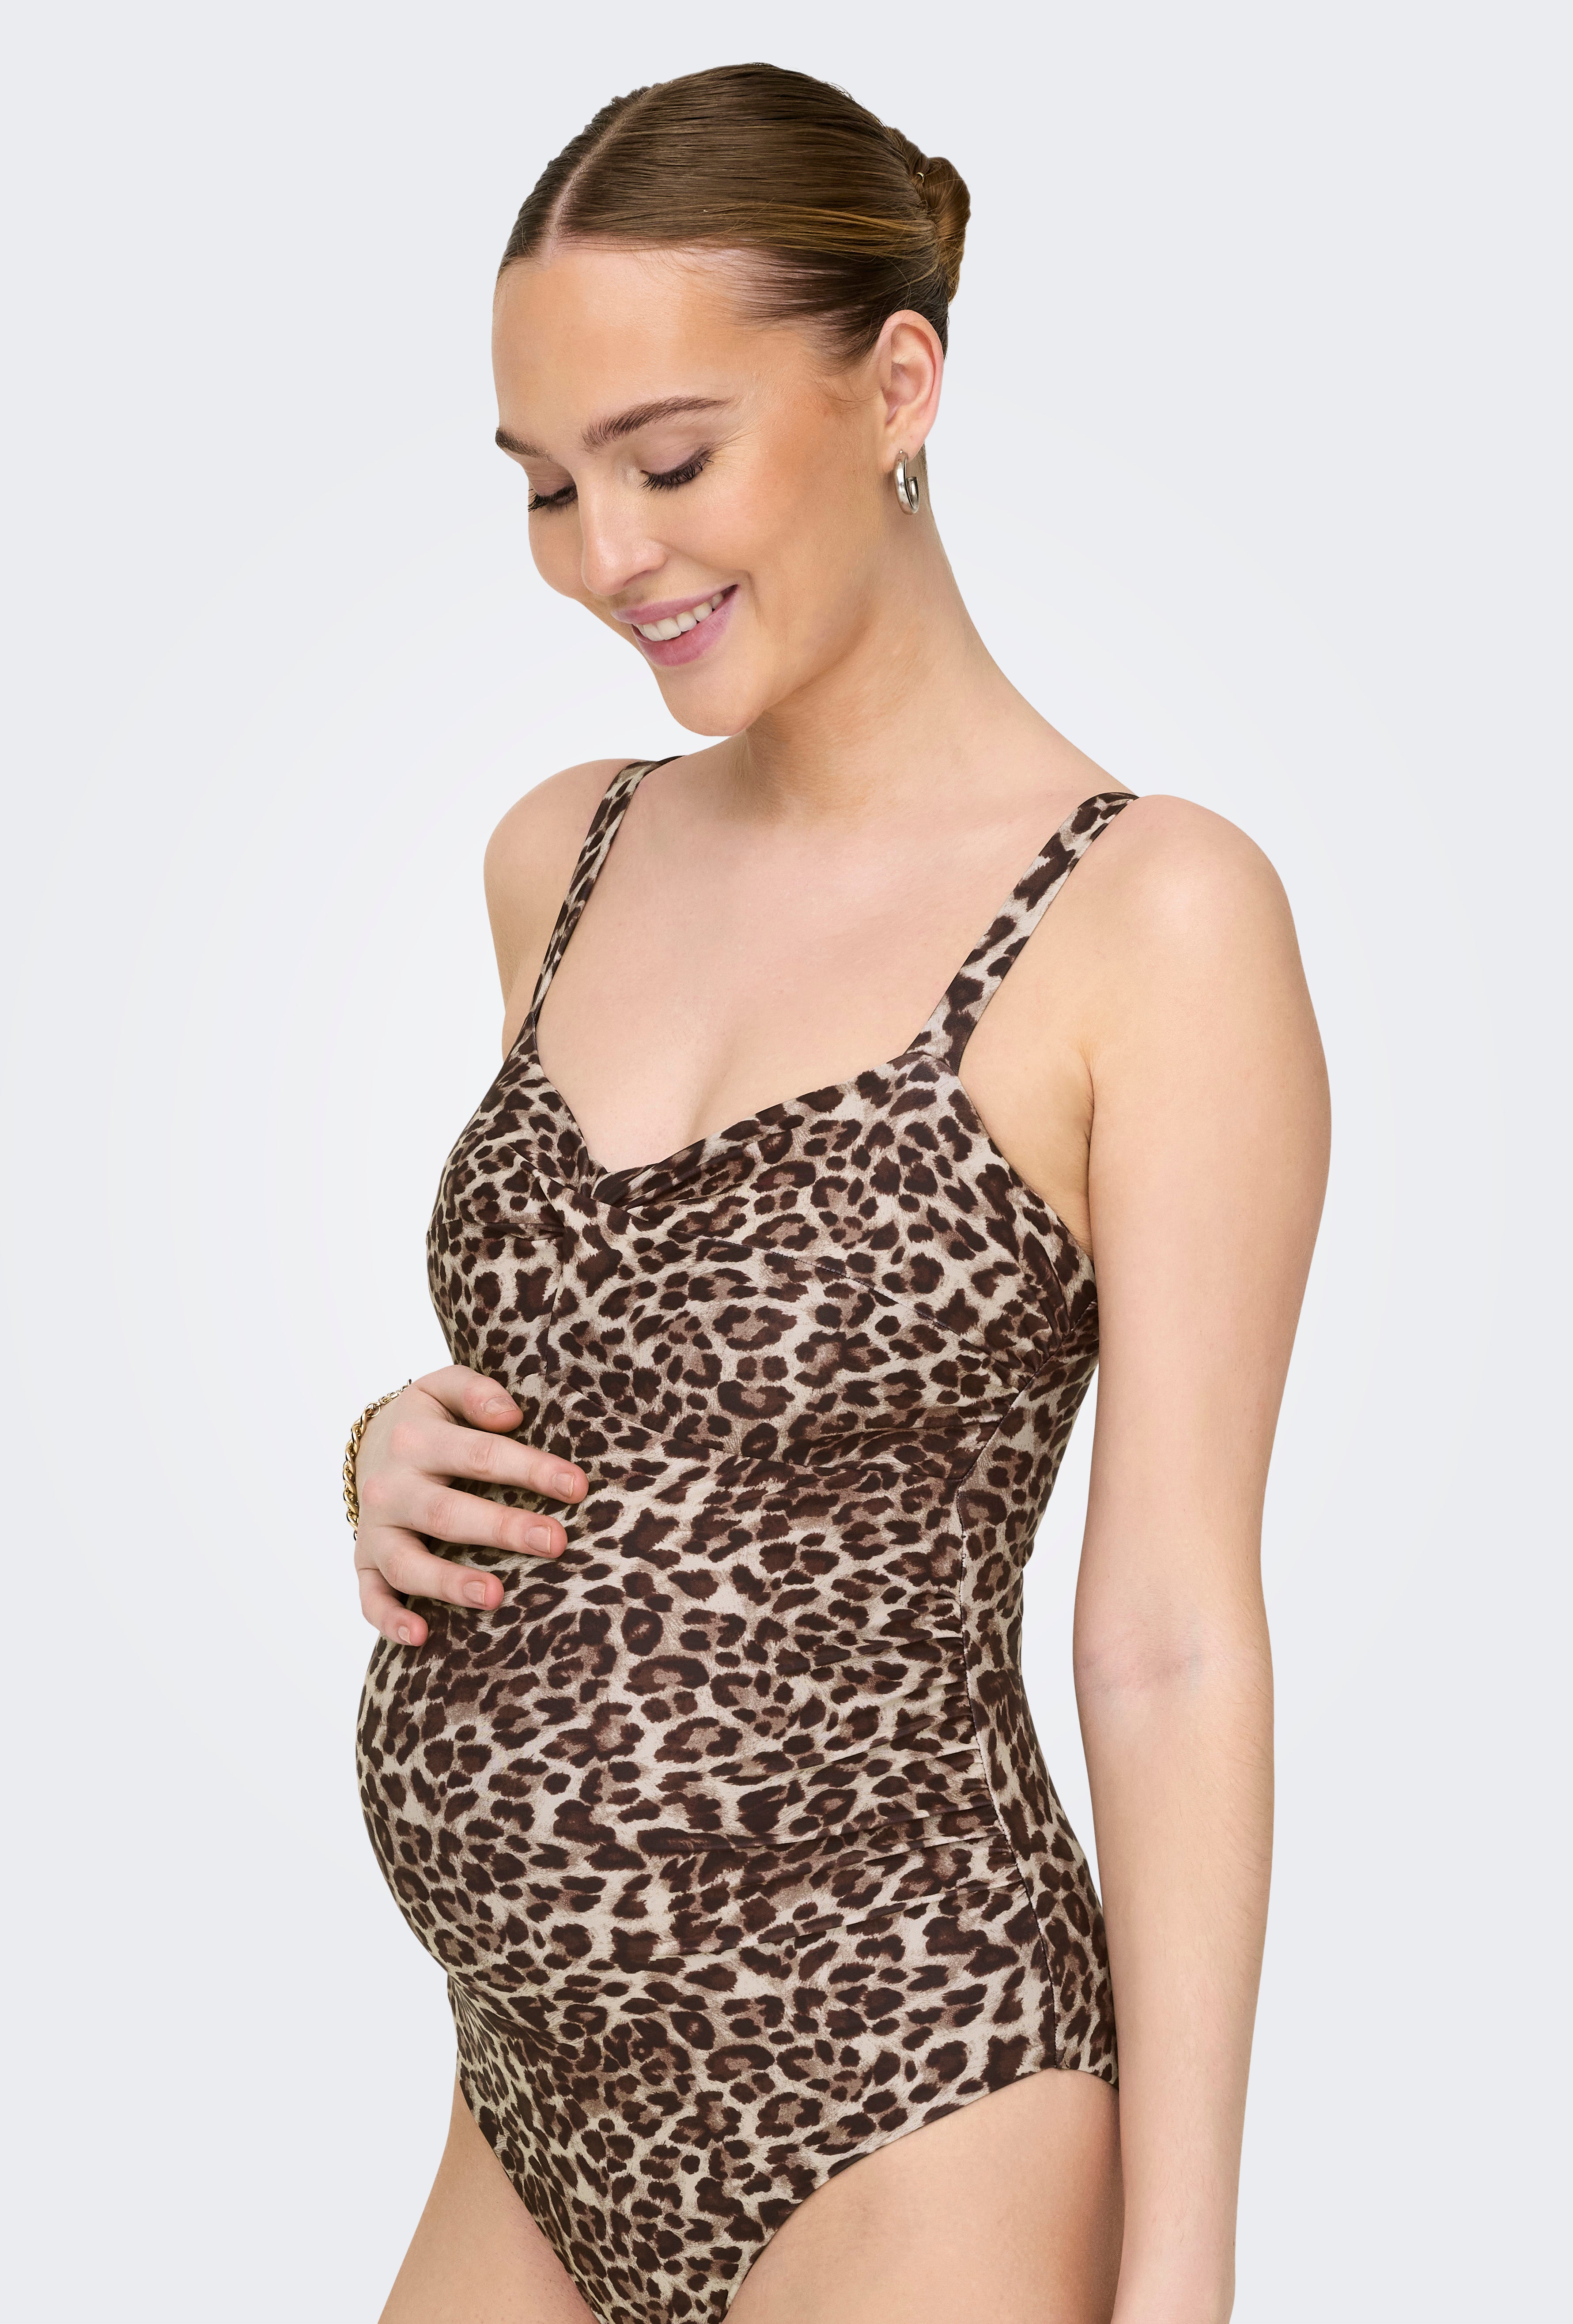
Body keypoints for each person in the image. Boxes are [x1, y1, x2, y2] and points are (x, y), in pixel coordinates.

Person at [348, 61, 1328, 2324]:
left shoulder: (1153, 916)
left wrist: (1184, 2276)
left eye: (670, 459)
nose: (611, 556)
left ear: (898, 384)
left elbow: (1171, 1629)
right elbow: (631, 1369)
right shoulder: (564, 853)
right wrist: (389, 1446)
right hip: (534, 2098)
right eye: (549, 485)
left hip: (912, 2082)